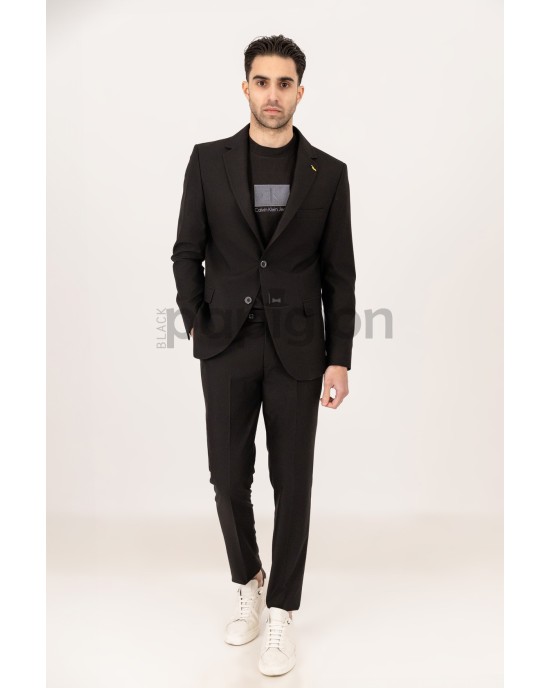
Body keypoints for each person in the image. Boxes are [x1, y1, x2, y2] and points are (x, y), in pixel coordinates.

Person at [171, 34, 356, 677]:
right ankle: (248, 580)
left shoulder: (328, 173)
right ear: (245, 87)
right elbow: (186, 252)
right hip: (225, 344)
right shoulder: (208, 161)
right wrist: (199, 323)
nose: (272, 94)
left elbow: (339, 275)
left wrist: (340, 358)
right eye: (262, 81)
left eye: (284, 83)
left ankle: (281, 612)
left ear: (300, 91)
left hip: (299, 351)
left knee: (293, 483)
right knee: (227, 478)